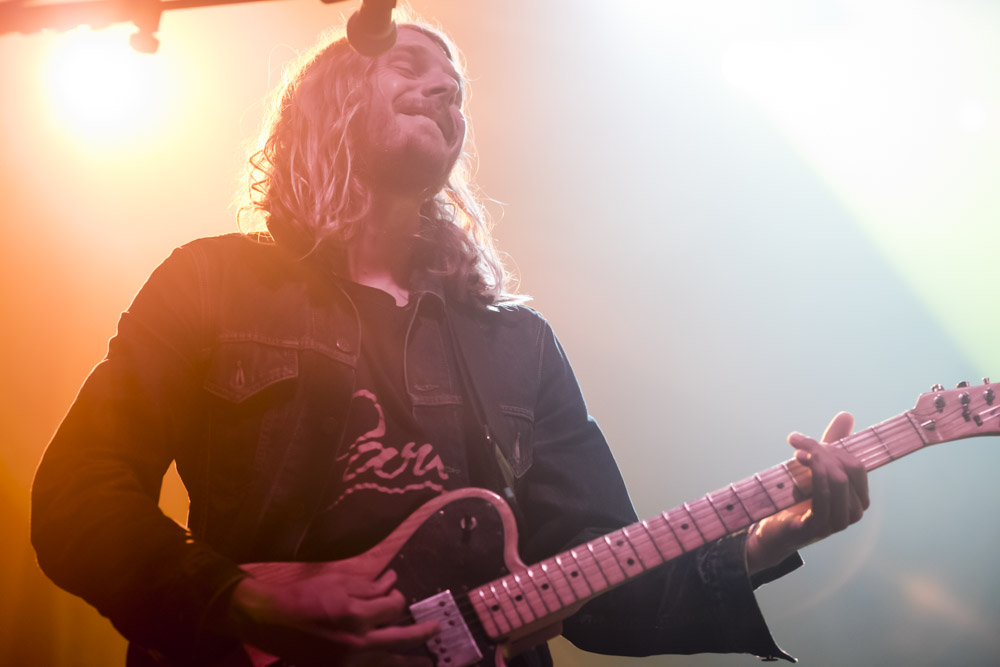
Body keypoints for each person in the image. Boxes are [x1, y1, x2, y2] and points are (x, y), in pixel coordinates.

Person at [30, 15, 869, 667]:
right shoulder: (211, 282)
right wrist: (234, 596)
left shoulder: (519, 345)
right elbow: (76, 493)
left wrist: (775, 533)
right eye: (409, 68)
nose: (443, 91)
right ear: (331, 100)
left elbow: (607, 590)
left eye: (456, 90)